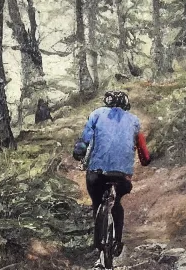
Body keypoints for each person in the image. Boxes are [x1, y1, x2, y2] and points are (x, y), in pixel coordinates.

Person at [73, 90, 152, 266]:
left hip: (97, 173)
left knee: (96, 200)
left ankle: (98, 239)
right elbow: (143, 151)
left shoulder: (96, 114)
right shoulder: (134, 120)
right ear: (126, 105)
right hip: (121, 176)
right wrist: (145, 160)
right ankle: (117, 240)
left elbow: (84, 140)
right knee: (116, 203)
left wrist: (79, 151)